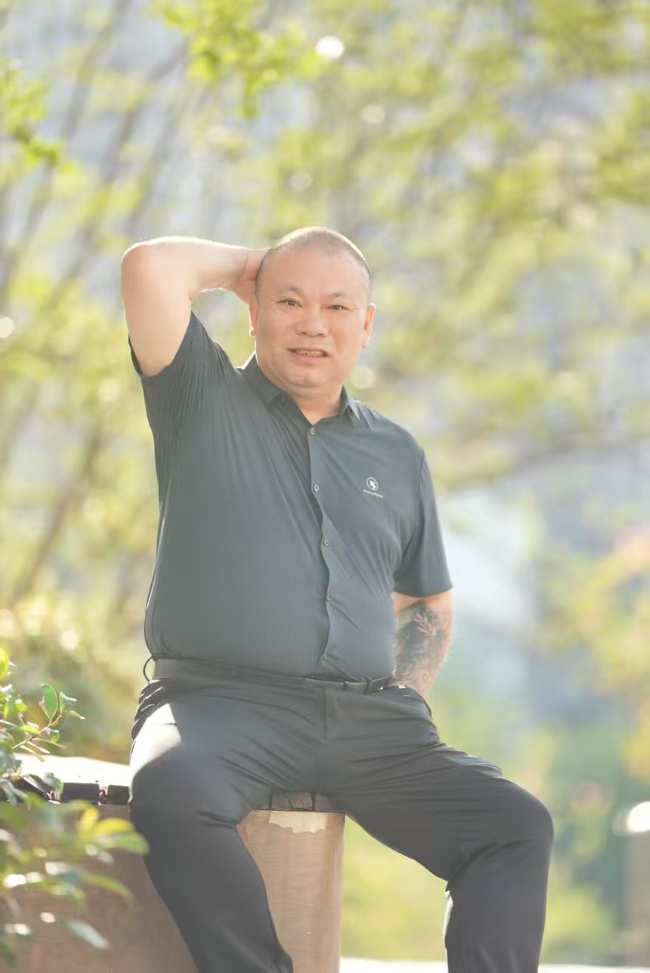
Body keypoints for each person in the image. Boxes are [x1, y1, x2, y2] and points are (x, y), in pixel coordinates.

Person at [121, 227, 553, 973]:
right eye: (290, 302)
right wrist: (250, 267)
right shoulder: (200, 396)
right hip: (217, 707)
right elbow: (148, 267)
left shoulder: (396, 451)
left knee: (515, 825)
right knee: (169, 791)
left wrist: (406, 690)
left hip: (370, 720)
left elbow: (427, 599)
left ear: (366, 324)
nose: (313, 324)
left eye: (337, 306)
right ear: (255, 313)